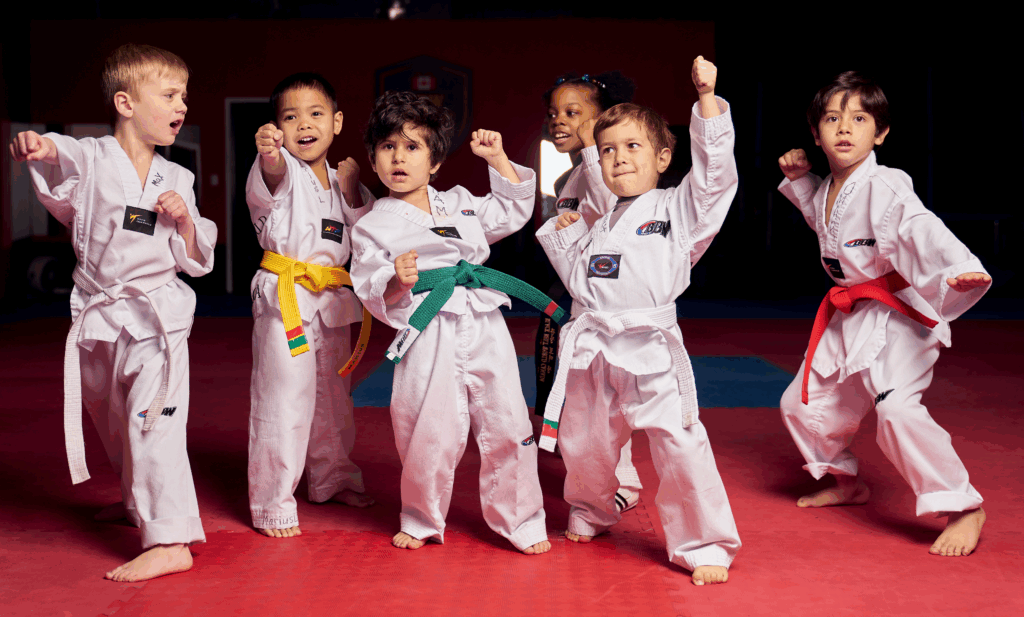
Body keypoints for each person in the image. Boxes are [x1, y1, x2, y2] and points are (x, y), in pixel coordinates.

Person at [10, 43, 217, 582]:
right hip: (99, 312)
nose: (182, 105)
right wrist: (39, 145)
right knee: (112, 418)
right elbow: (60, 155)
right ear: (126, 103)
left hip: (158, 318)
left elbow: (196, 257)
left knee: (154, 422)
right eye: (169, 95)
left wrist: (185, 221)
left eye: (185, 96)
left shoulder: (179, 179)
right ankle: (137, 504)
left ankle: (170, 538)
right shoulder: (93, 156)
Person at [536, 57, 741, 585]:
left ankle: (704, 543)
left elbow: (714, 177)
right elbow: (582, 286)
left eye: (632, 146)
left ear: (663, 157)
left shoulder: (678, 209)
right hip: (592, 346)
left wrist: (707, 99)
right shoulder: (600, 221)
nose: (619, 158)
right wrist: (565, 235)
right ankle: (591, 508)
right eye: (607, 150)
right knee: (585, 441)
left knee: (679, 442)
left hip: (650, 348)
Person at [776, 71, 990, 557]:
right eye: (832, 119)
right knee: (801, 404)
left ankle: (964, 507)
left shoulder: (887, 184)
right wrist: (801, 179)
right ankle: (846, 482)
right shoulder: (830, 188)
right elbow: (826, 228)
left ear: (881, 133)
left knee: (895, 408)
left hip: (901, 314)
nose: (844, 128)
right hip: (853, 311)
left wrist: (956, 268)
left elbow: (919, 227)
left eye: (859, 119)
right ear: (816, 133)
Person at [350, 91, 556, 555]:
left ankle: (521, 520)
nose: (398, 157)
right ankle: (421, 517)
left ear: (436, 161)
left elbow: (510, 212)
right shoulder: (371, 225)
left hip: (482, 316)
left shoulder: (461, 203)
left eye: (412, 147)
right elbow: (367, 280)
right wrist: (395, 280)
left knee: (508, 419)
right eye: (387, 147)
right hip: (428, 325)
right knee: (427, 425)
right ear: (373, 160)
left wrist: (497, 158)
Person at [246, 72, 376, 539]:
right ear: (277, 127)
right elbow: (271, 175)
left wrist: (354, 188)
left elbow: (368, 231)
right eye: (290, 117)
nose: (304, 124)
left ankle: (332, 479)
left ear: (336, 122)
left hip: (332, 299)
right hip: (288, 297)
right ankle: (272, 502)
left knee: (334, 398)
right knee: (284, 397)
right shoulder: (281, 169)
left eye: (316, 113)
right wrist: (268, 152)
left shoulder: (342, 179)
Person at [538, 71, 642, 513]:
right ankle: (595, 480)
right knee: (582, 398)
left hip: (615, 300)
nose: (559, 120)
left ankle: (625, 482)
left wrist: (591, 146)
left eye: (572, 112)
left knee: (613, 397)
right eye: (554, 113)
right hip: (578, 298)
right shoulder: (567, 178)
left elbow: (610, 211)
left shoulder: (614, 167)